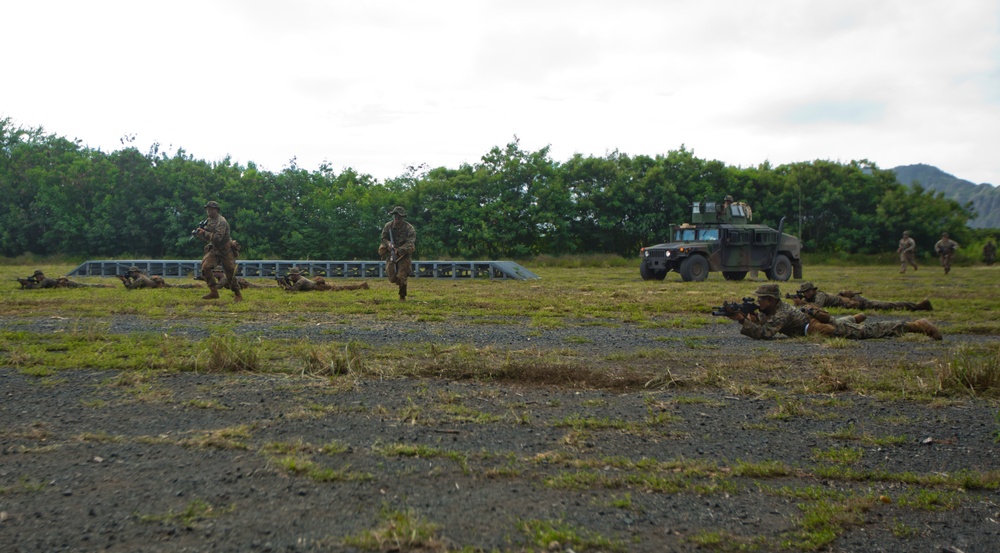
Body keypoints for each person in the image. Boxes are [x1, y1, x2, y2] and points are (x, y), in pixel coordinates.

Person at [725, 284, 941, 341]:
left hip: (823, 329)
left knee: (868, 331)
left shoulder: (782, 313)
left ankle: (916, 325)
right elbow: (763, 324)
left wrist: (744, 321)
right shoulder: (775, 310)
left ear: (771, 300)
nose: (758, 302)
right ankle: (851, 318)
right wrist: (751, 319)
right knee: (846, 323)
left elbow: (766, 334)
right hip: (815, 325)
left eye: (761, 299)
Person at [193, 200, 242, 302]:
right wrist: (199, 234)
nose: (208, 212)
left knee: (230, 274)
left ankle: (238, 294)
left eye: (210, 209)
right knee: (205, 267)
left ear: (216, 210)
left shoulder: (221, 222)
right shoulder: (209, 220)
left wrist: (204, 233)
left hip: (225, 250)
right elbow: (208, 238)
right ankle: (214, 291)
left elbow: (217, 238)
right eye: (207, 210)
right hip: (215, 250)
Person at [791, 282, 931, 312]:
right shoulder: (812, 297)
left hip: (855, 302)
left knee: (886, 305)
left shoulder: (819, 295)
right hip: (850, 302)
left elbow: (818, 307)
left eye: (807, 292)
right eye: (804, 293)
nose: (806, 295)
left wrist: (801, 303)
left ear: (812, 291)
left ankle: (918, 306)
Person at [378, 206, 416, 301]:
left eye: (398, 217)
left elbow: (410, 242)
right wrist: (389, 244)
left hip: (404, 255)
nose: (396, 219)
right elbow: (383, 238)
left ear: (402, 217)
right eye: (395, 216)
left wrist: (399, 250)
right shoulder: (388, 226)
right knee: (392, 278)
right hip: (391, 253)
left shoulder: (409, 228)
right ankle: (399, 281)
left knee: (401, 276)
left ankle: (402, 296)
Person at [276, 267, 369, 292]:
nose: (291, 277)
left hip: (319, 287)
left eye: (292, 275)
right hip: (317, 286)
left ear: (296, 275)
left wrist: (285, 284)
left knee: (341, 288)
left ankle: (361, 286)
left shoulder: (300, 281)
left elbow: (293, 290)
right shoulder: (299, 279)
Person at [119, 266, 202, 290]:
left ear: (137, 272)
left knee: (176, 286)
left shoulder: (140, 279)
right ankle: (194, 285)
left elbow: (131, 288)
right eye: (130, 272)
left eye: (132, 272)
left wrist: (124, 281)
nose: (131, 274)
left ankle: (194, 285)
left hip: (158, 285)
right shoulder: (139, 278)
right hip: (156, 284)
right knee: (175, 286)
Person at [21, 269, 111, 289]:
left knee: (86, 285)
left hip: (68, 284)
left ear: (40, 276)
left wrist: (29, 285)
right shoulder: (45, 279)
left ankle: (105, 286)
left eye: (37, 277)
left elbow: (38, 287)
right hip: (65, 284)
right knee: (85, 285)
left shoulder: (45, 280)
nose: (37, 278)